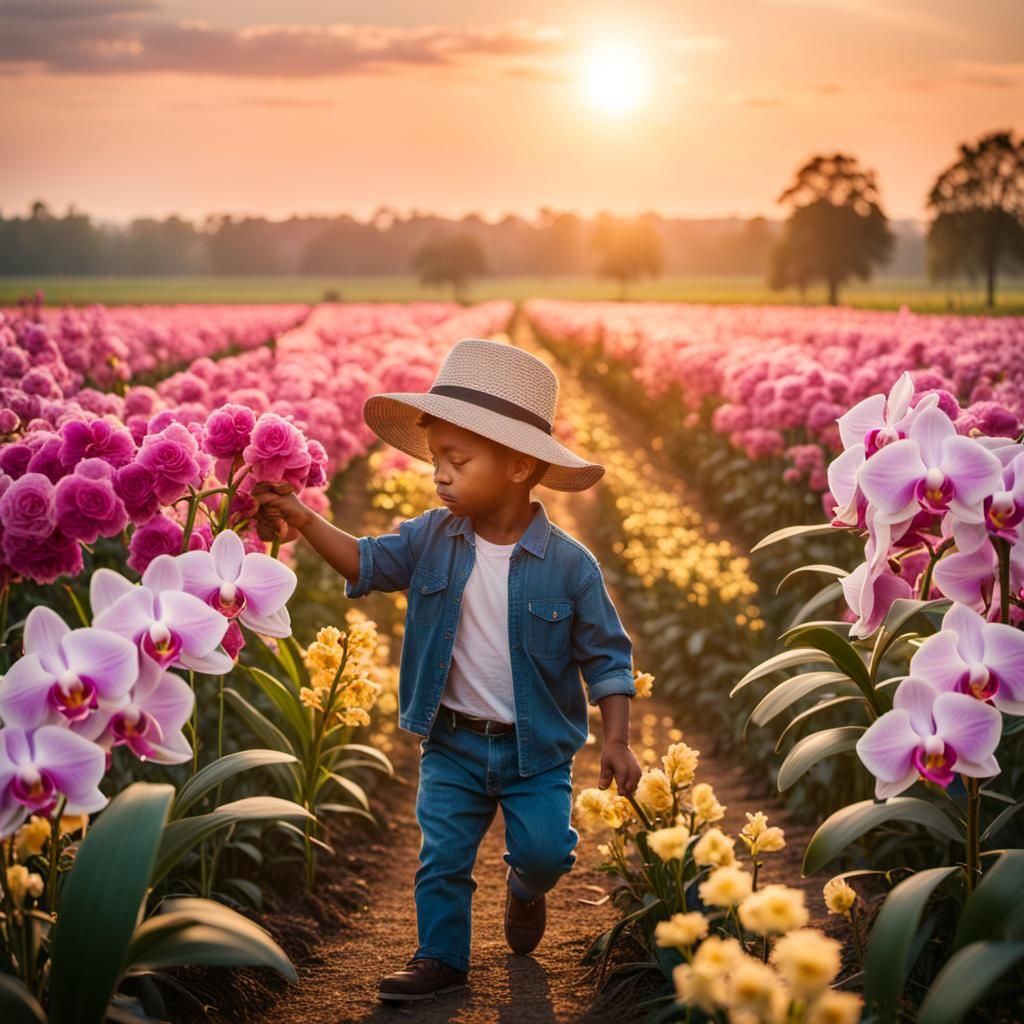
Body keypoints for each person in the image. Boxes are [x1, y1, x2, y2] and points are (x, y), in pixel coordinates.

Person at [253, 337, 642, 1002]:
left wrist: (616, 739)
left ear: (520, 466)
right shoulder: (430, 538)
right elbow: (365, 563)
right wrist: (305, 518)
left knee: (547, 853)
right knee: (443, 859)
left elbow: (607, 655)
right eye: (437, 460)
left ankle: (526, 888)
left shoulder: (572, 565)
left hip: (538, 751)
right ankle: (441, 958)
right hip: (453, 742)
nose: (440, 475)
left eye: (457, 461)